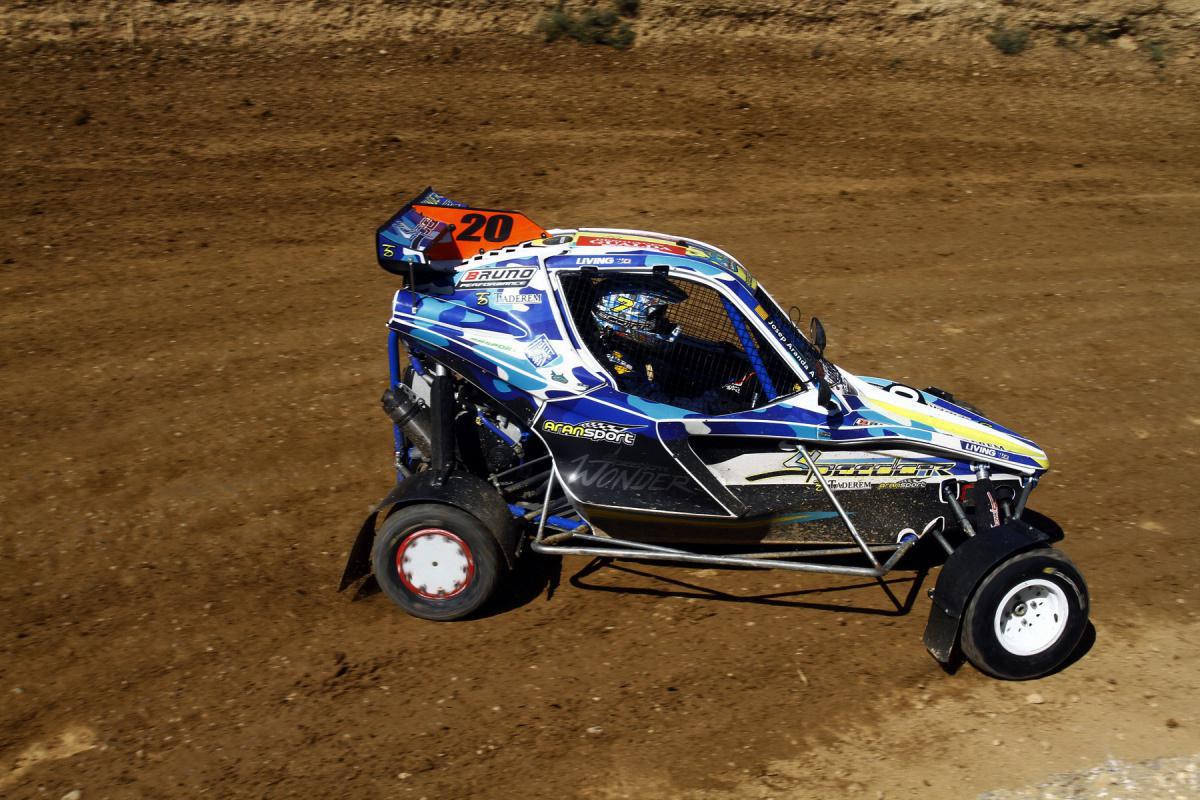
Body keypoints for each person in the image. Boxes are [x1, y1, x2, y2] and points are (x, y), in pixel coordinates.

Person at [588, 275, 756, 414]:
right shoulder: (619, 369)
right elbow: (665, 409)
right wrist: (722, 396)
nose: (666, 323)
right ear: (628, 320)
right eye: (657, 318)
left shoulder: (629, 351)